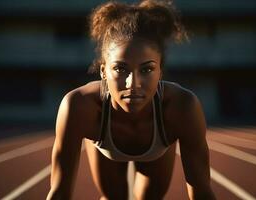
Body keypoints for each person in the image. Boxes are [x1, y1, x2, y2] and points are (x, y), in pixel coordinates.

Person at [47, 0, 216, 199]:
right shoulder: (79, 107)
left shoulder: (182, 107)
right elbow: (59, 192)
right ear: (103, 71)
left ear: (160, 71)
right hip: (106, 144)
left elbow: (202, 191)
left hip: (158, 146)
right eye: (120, 68)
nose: (132, 84)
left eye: (147, 69)